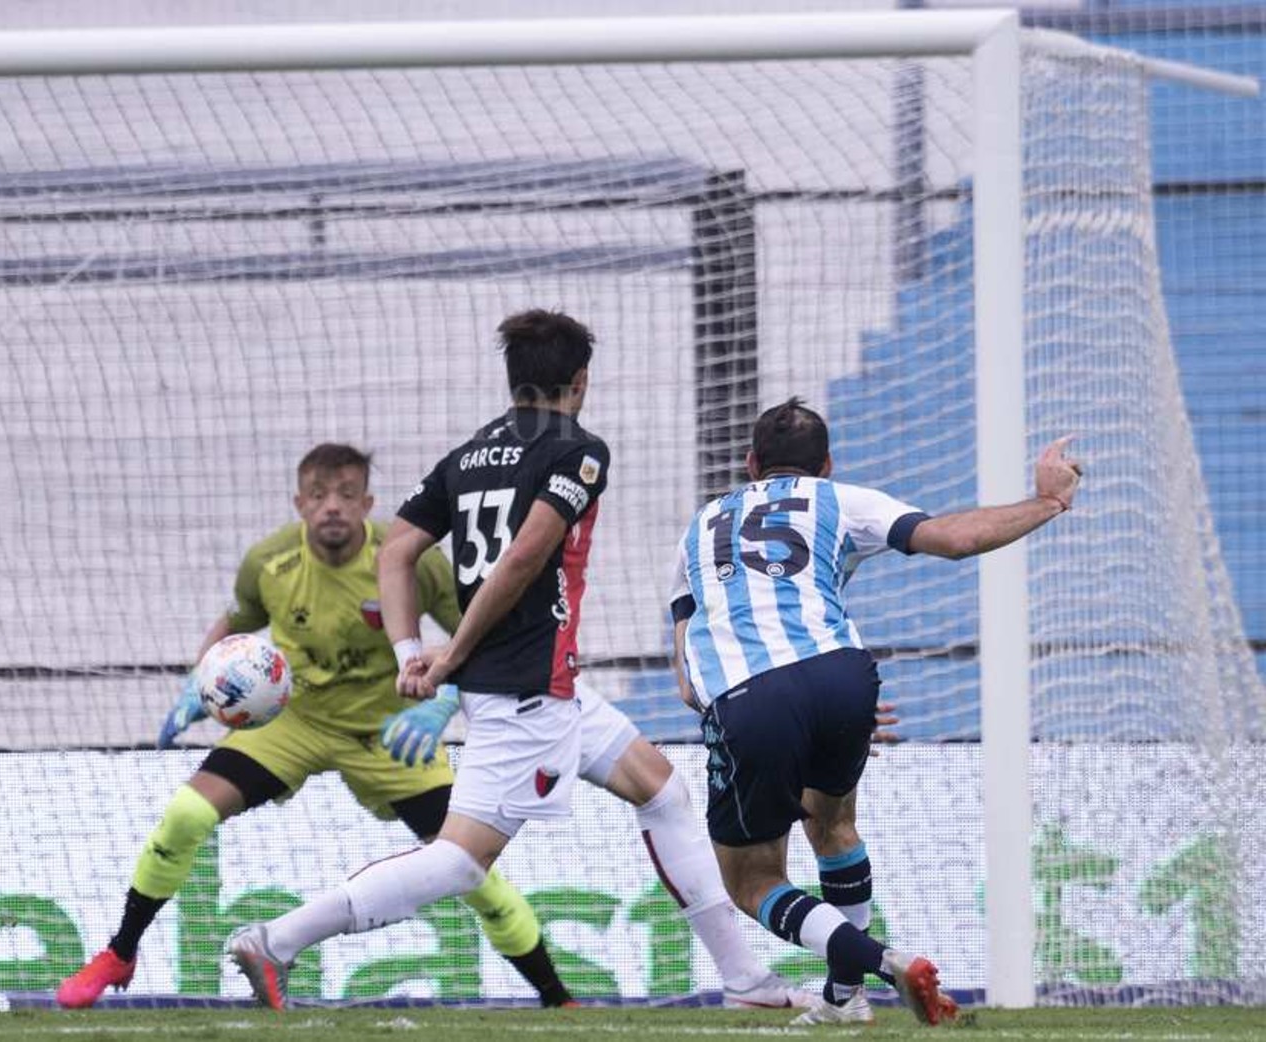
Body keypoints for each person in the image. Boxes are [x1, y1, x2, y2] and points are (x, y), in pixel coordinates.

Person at [227, 309, 807, 1011]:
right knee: (461, 860)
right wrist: (448, 657)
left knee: (660, 788)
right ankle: (276, 941)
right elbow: (525, 556)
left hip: (548, 690)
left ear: (513, 380)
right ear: (579, 381)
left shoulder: (468, 454)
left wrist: (409, 652)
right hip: (524, 689)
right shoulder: (577, 451)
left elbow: (396, 550)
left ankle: (744, 979)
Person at [57, 443, 576, 1009]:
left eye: (347, 495)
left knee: (469, 868)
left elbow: (476, 634)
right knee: (186, 814)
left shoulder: (410, 558)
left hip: (391, 728)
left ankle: (555, 996)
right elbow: (236, 622)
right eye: (320, 495)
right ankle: (120, 953)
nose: (334, 507)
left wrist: (443, 701)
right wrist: (196, 681)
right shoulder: (269, 562)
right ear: (299, 503)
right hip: (295, 719)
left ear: (368, 502)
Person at [669, 397, 1083, 1026]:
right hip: (844, 677)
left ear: (750, 464)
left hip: (750, 695)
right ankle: (843, 1001)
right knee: (833, 826)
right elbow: (954, 539)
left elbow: (687, 677)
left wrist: (759, 720)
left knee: (751, 882)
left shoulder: (701, 526)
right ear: (827, 465)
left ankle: (884, 964)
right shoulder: (843, 500)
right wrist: (1048, 501)